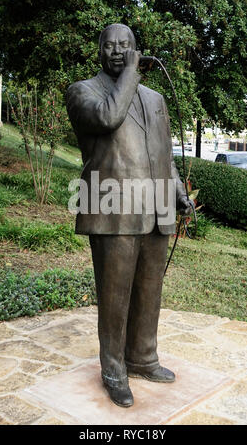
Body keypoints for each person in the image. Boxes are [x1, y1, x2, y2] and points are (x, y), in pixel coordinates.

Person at [66, 23, 193, 408]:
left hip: (154, 207)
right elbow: (107, 118)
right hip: (112, 208)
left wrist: (177, 190)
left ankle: (143, 356)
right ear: (99, 51)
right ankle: (114, 369)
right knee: (115, 295)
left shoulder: (155, 99)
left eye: (126, 46)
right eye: (110, 46)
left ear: (136, 49)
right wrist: (132, 74)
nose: (118, 52)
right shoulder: (83, 91)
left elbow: (162, 154)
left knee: (149, 290)